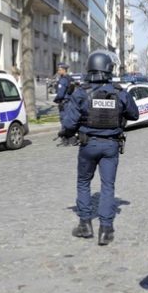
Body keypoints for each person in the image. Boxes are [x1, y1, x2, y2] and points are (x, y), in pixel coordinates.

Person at [59, 50, 139, 246]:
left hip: (88, 145)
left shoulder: (80, 92)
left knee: (84, 182)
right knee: (107, 186)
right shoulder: (119, 92)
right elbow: (134, 114)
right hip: (111, 146)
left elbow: (69, 124)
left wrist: (66, 133)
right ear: (109, 69)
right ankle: (106, 230)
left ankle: (85, 225)